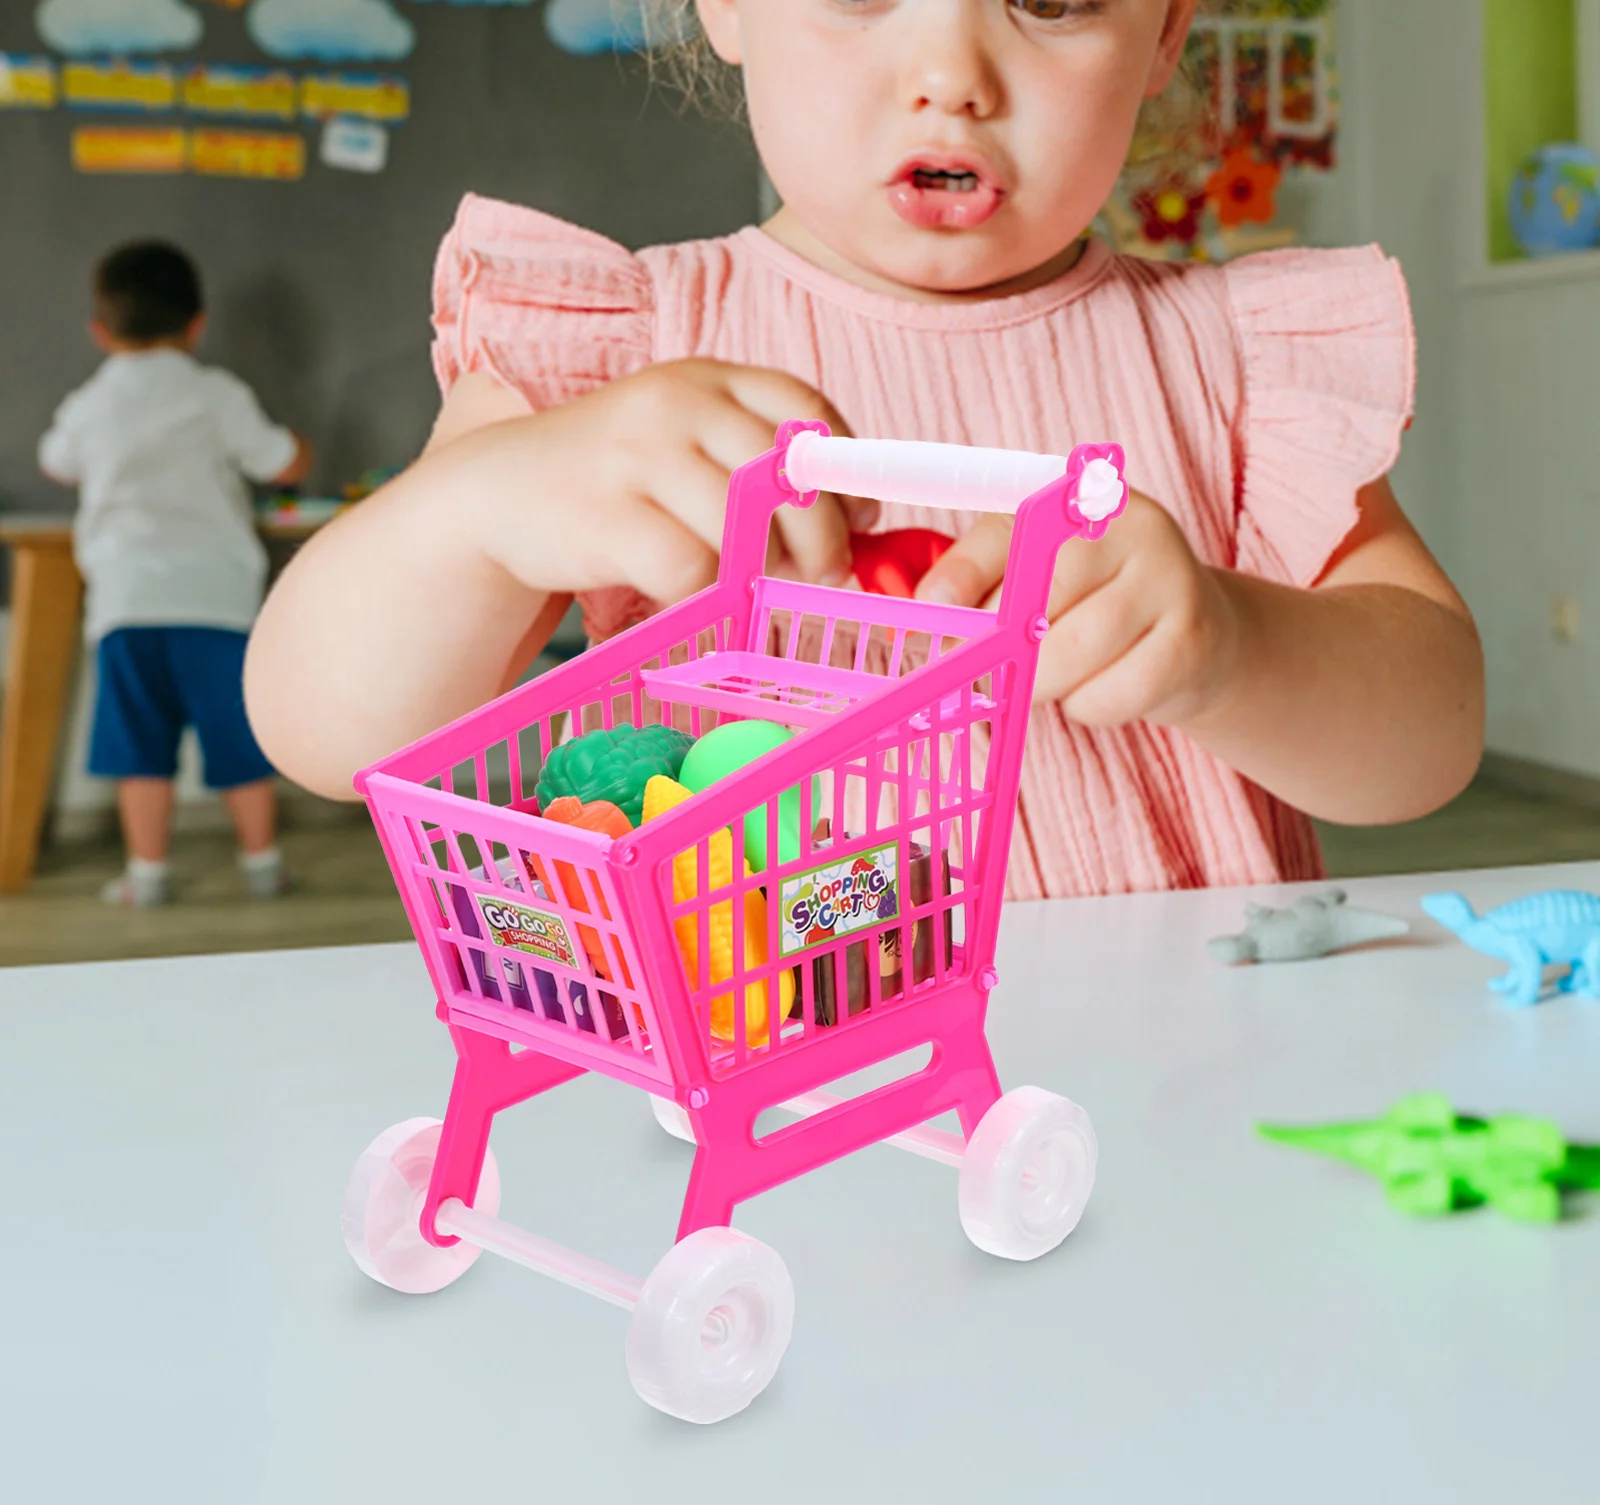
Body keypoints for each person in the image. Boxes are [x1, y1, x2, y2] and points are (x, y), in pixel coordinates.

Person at [247, 0, 1484, 900]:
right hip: (766, 1075)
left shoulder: (1232, 354)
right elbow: (327, 734)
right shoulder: (618, 351)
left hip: (1185, 1063)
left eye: (1050, 1)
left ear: (1165, 29)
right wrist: (479, 508)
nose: (950, 72)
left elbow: (1429, 738)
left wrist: (1231, 642)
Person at [40, 240, 311, 907]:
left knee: (140, 747)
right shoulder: (217, 394)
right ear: (197, 323)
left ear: (100, 331)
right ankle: (262, 863)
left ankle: (148, 874)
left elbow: (56, 461)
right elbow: (280, 462)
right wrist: (299, 448)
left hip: (127, 602)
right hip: (216, 597)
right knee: (237, 737)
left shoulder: (90, 402)